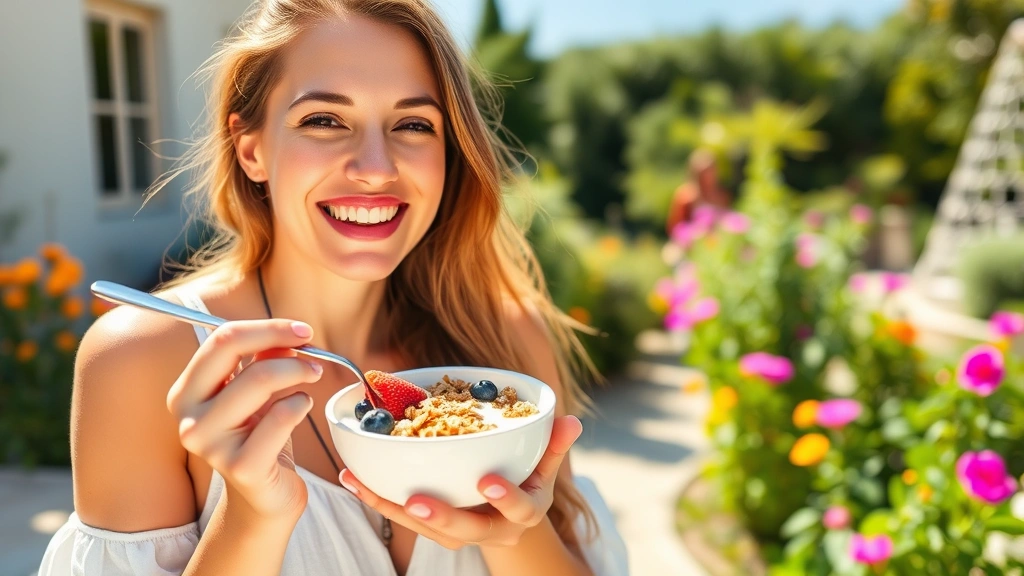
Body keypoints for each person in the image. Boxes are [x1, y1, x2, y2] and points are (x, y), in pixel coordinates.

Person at [37, 1, 626, 574]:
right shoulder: (142, 360)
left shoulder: (505, 344)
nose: (376, 167)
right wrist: (252, 518)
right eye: (323, 120)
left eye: (413, 124)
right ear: (252, 150)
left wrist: (515, 535)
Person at [665, 149, 732, 236]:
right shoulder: (685, 197)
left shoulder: (722, 195)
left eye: (710, 171)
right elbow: (675, 227)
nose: (708, 176)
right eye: (704, 173)